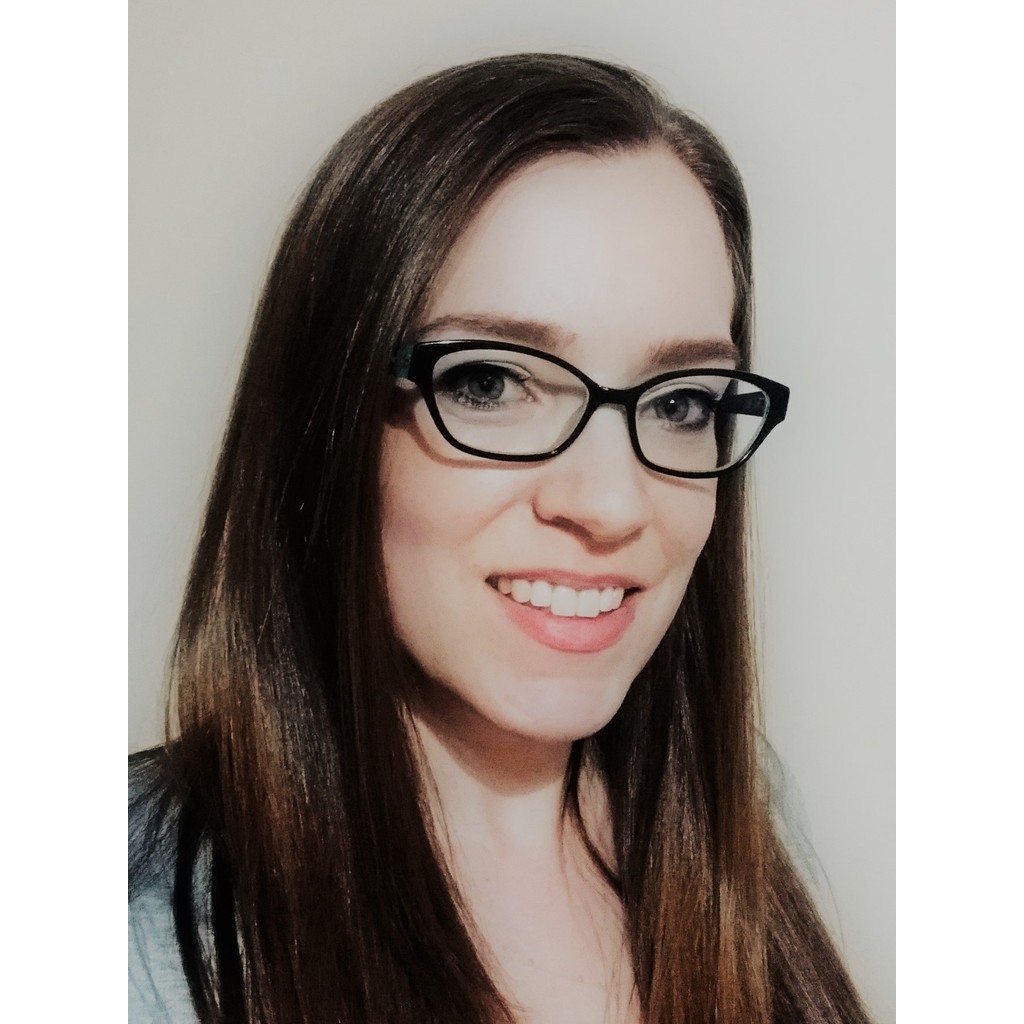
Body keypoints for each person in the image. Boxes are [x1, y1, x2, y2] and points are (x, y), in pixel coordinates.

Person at [129, 53, 872, 1024]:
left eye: (681, 401)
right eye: (490, 383)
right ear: (326, 422)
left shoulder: (737, 815)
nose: (610, 503)